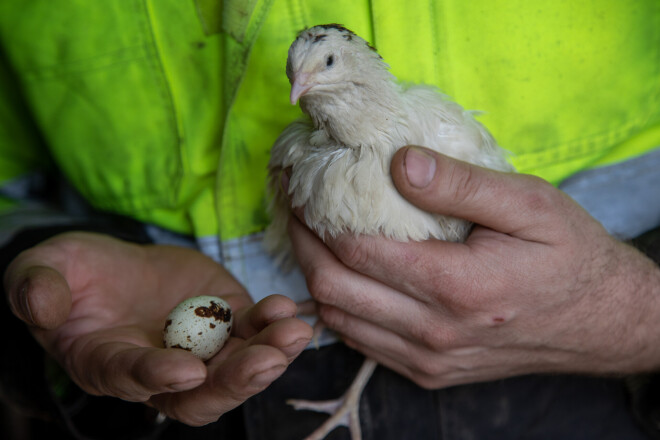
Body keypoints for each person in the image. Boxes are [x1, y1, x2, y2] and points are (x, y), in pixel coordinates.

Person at [1, 1, 659, 439]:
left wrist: (634, 309)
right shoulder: (300, 152)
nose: (303, 83)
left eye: (321, 68)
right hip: (203, 359)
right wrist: (26, 245)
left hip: (569, 380)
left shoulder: (430, 133)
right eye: (300, 76)